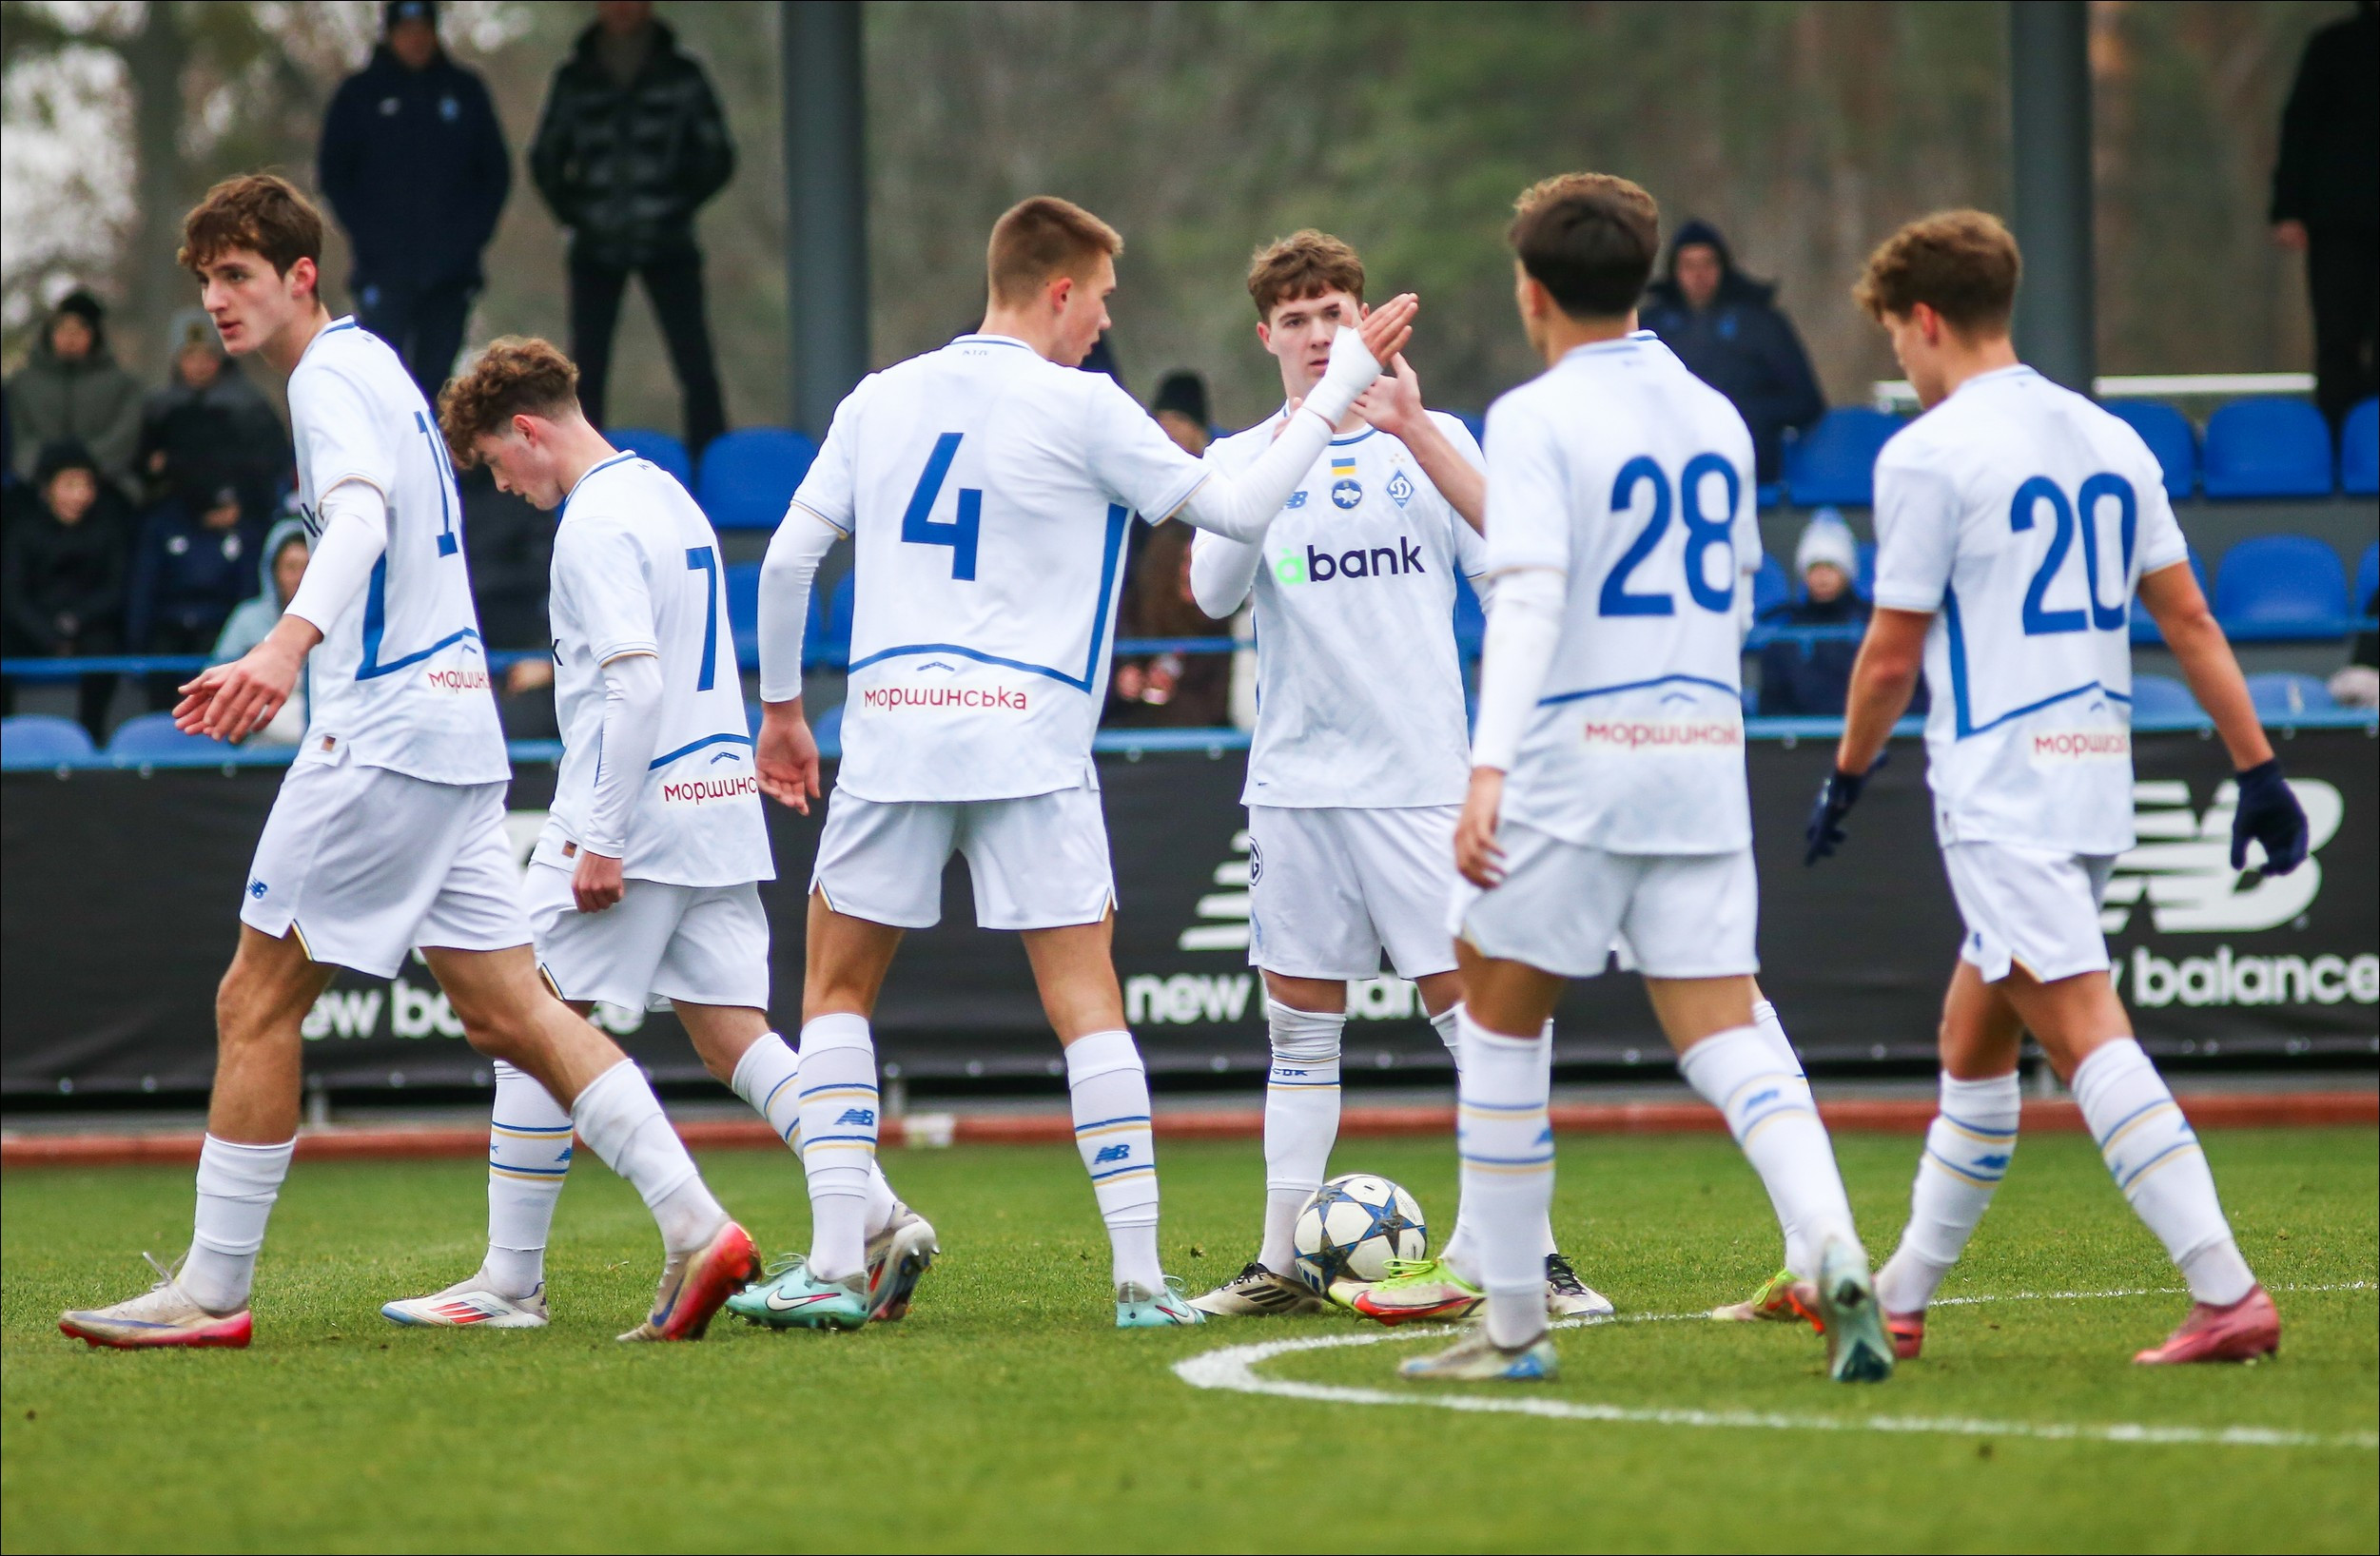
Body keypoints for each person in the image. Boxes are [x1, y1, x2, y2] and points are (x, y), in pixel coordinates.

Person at [58, 173, 755, 1351]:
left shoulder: (328, 376)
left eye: (238, 275)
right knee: (515, 1012)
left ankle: (212, 1292)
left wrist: (284, 645)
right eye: (208, 280)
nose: (219, 300)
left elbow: (363, 523)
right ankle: (698, 1226)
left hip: (380, 735)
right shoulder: (374, 364)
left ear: (301, 276)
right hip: (456, 733)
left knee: (254, 998)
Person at [747, 195, 1413, 1328]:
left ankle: (831, 1264)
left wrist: (780, 712)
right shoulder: (1085, 405)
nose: (1106, 321)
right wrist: (1341, 381)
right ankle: (1142, 1281)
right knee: (1087, 1003)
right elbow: (1242, 505)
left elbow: (786, 562)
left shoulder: (880, 398)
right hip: (1030, 738)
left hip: (895, 729)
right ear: (1059, 290)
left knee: (837, 993)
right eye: (1101, 297)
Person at [1410, 173, 1893, 1386]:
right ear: (1645, 281)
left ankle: (1511, 1327)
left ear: (1532, 292)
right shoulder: (1715, 416)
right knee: (1725, 1027)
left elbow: (1528, 596)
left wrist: (1488, 766)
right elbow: (1732, 593)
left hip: (1575, 757)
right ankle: (1831, 1244)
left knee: (1498, 1017)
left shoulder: (1535, 415)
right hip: (1700, 757)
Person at [1811, 209, 2309, 1366]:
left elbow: (1888, 657)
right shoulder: (2109, 436)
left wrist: (1845, 773)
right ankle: (1899, 1299)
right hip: (2092, 776)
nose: (1901, 359)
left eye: (1896, 337)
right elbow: (2189, 618)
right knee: (1973, 1040)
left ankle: (2226, 1290)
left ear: (1925, 320)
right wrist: (2259, 766)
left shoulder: (1928, 452)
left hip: (2002, 788)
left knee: (2085, 1031)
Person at [377, 338, 936, 1332]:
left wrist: (599, 835)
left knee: (524, 1020)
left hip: (633, 816)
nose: (503, 487)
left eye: (497, 465)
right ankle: (879, 1217)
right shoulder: (668, 495)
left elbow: (633, 685)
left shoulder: (594, 522)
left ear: (528, 431)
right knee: (736, 1040)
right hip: (716, 805)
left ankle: (511, 1281)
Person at [1177, 229, 1606, 1324]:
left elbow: (1514, 568)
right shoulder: (1244, 456)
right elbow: (1213, 592)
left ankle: (1531, 1254)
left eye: (1337, 313)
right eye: (1298, 320)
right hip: (1296, 788)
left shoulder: (1435, 434)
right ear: (1265, 337)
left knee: (1480, 1023)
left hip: (1422, 783)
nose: (1321, 336)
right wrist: (1301, 434)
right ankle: (1282, 1260)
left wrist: (1514, 733)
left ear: (1365, 317)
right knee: (1298, 1032)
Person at [530, 1, 734, 455]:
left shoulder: (682, 74)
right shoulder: (574, 77)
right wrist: (579, 214)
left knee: (695, 363)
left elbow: (718, 155)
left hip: (669, 241)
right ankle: (581, 465)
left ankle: (713, 465)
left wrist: (674, 203)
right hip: (595, 246)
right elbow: (545, 159)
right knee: (585, 369)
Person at [318, 0, 512, 404]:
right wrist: (368, 235)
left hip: (451, 274)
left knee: (438, 386)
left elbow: (495, 174)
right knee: (382, 381)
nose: (415, 40)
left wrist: (470, 239)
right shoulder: (359, 95)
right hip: (383, 270)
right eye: (406, 31)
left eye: (423, 30)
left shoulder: (465, 91)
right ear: (390, 35)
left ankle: (436, 448)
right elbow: (334, 175)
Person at [1640, 220, 1825, 485]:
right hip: (1668, 472)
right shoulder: (1651, 325)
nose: (1699, 275)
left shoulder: (1761, 323)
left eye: (1708, 263)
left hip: (1753, 472)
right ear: (1674, 271)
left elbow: (1807, 401)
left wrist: (1747, 413)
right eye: (1689, 265)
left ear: (1723, 267)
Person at [2270, 0, 2377, 432]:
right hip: (2339, 221)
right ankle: (2340, 445)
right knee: (2338, 340)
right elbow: (2300, 126)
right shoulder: (2333, 46)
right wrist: (2288, 209)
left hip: (2337, 216)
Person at [1108, 371, 1232, 725]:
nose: (1168, 432)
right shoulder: (1135, 501)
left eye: (1177, 420)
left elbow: (1217, 609)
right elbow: (1127, 592)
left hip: (1201, 681)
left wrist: (1175, 666)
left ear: (1198, 429)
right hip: (1140, 664)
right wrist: (1128, 667)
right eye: (1160, 421)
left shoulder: (1220, 492)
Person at [1, 440, 127, 739]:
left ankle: (91, 733)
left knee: (104, 649)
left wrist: (75, 621)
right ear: (47, 488)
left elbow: (115, 589)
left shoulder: (107, 528)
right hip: (32, 627)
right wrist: (47, 634)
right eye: (70, 485)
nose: (80, 495)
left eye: (87, 485)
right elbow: (12, 595)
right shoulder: (23, 530)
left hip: (87, 626)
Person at [127, 481, 263, 709]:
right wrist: (136, 643)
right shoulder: (167, 527)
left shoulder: (244, 536)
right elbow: (144, 586)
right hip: (169, 627)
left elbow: (246, 591)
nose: (233, 513)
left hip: (217, 629)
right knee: (161, 667)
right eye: (224, 508)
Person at [6, 291, 145, 497]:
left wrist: (87, 459)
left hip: (106, 486)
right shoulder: (21, 384)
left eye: (80, 330)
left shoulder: (124, 384)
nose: (70, 338)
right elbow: (17, 433)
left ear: (94, 335)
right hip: (34, 486)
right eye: (62, 330)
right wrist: (42, 461)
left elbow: (125, 433)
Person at [1755, 508, 1867, 716]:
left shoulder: (1871, 625)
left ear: (1847, 571)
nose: (1822, 576)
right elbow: (1772, 704)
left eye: (1831, 566)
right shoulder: (1786, 636)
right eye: (1814, 567)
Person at [210, 515, 311, 746]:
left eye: (307, 567)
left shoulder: (338, 621)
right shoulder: (248, 618)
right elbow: (216, 681)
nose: (299, 578)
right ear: (273, 571)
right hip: (259, 744)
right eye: (291, 567)